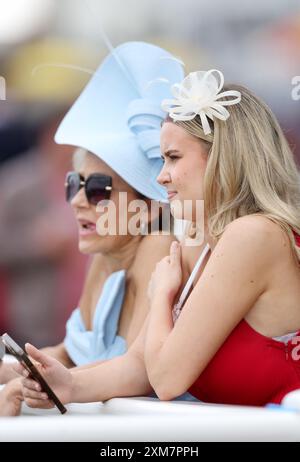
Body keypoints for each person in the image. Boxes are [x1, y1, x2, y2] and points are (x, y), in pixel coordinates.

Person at [15, 67, 300, 409]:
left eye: (173, 158)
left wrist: (163, 294)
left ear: (222, 158)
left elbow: (166, 380)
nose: (161, 177)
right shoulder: (196, 241)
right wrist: (69, 384)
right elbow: (139, 367)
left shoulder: (254, 234)